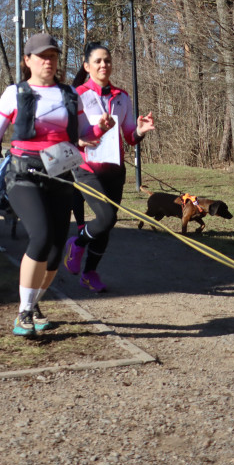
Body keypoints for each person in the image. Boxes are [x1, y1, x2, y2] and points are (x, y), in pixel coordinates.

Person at [0, 33, 113, 337]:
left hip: (60, 171)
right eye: (41, 56)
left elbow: (84, 133)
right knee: (41, 235)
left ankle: (34, 303)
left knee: (56, 246)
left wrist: (100, 127)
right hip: (24, 174)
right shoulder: (15, 92)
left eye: (53, 56)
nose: (48, 62)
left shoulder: (68, 94)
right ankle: (23, 312)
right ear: (27, 60)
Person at [63, 42, 156, 291]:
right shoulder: (77, 95)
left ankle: (89, 273)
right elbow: (66, 134)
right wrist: (80, 141)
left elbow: (129, 137)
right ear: (87, 66)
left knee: (108, 223)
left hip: (115, 169)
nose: (104, 65)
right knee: (105, 217)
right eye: (98, 61)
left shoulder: (122, 97)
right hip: (86, 169)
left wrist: (140, 130)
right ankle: (78, 244)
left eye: (107, 60)